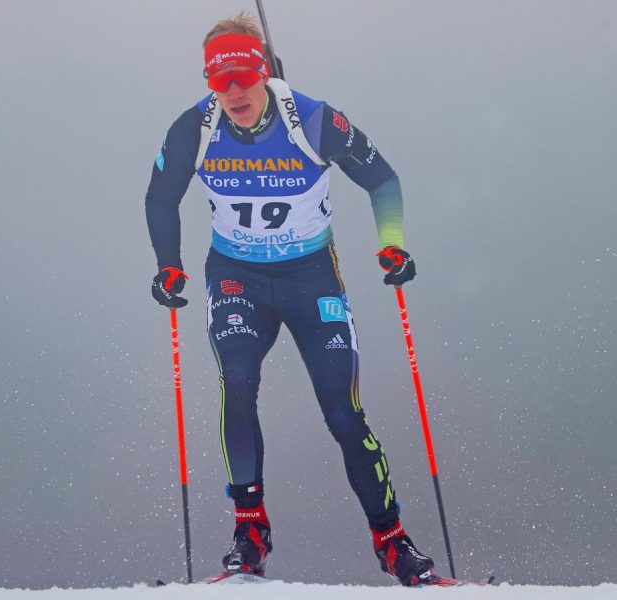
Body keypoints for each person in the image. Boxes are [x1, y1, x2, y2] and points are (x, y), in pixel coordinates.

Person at [144, 12, 435, 586]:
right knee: (237, 381)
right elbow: (160, 196)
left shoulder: (314, 119)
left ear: (265, 71)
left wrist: (393, 243)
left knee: (342, 410)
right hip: (237, 276)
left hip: (311, 277)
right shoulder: (194, 128)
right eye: (219, 81)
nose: (233, 94)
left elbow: (382, 179)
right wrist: (168, 266)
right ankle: (249, 531)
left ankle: (392, 540)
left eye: (243, 78)